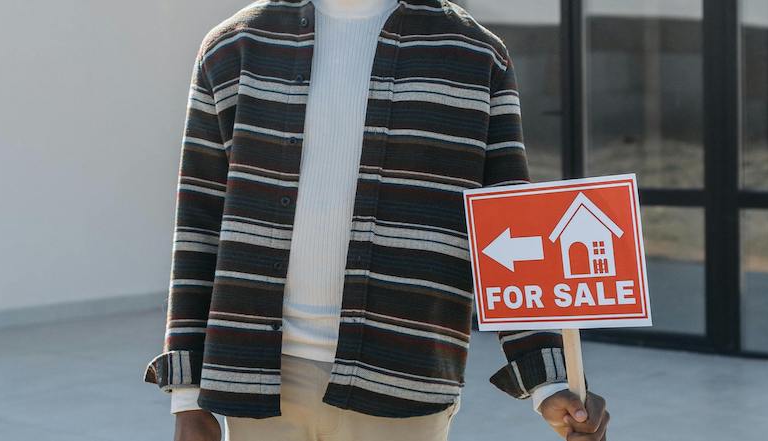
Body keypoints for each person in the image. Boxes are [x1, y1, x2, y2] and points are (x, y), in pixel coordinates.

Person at [144, 1, 611, 440]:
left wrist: (550, 384)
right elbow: (199, 225)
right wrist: (187, 396)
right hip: (258, 386)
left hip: (402, 380)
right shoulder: (232, 48)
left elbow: (510, 225)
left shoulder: (475, 54)